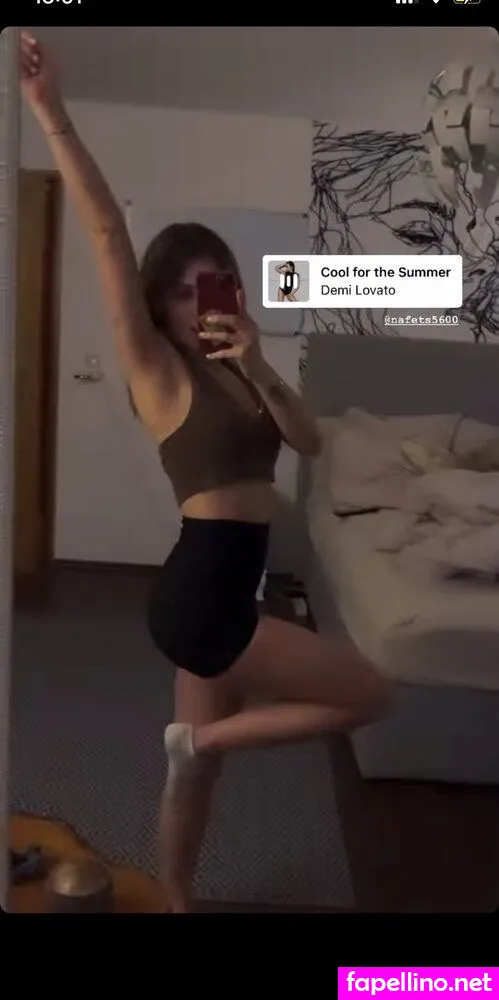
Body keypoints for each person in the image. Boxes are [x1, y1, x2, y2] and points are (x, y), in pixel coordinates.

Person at [20, 31, 391, 913]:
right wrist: (51, 112)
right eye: (186, 289)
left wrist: (258, 363)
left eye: (217, 283)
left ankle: (178, 898)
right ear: (158, 302)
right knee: (369, 695)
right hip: (201, 598)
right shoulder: (159, 372)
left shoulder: (239, 369)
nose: (203, 301)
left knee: (190, 773)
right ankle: (205, 742)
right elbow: (107, 232)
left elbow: (307, 443)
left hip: (225, 592)